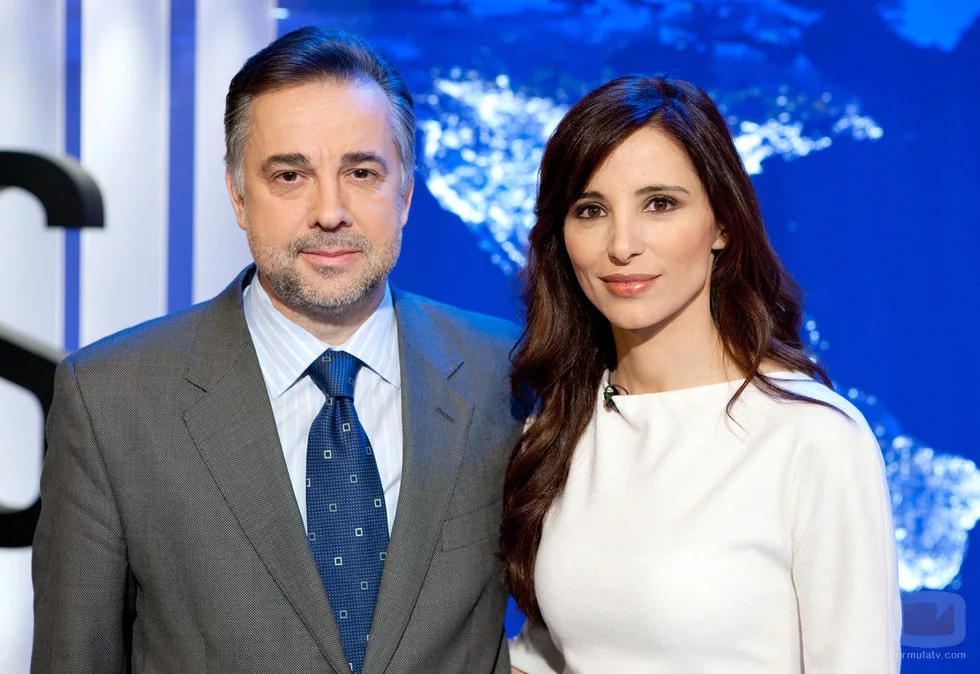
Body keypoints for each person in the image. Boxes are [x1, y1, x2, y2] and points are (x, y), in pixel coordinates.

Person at [31, 27, 523, 674]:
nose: (330, 211)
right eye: (290, 175)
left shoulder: (506, 373)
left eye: (361, 172)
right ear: (239, 196)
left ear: (404, 194)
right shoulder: (112, 399)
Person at [503, 75, 901, 673]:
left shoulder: (813, 438)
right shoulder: (559, 424)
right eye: (591, 210)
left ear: (722, 224)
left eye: (659, 204)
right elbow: (547, 658)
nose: (622, 245)